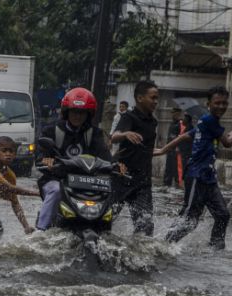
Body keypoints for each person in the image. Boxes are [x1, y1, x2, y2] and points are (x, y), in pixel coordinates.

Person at [154, 86, 232, 249]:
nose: (221, 106)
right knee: (190, 219)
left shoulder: (205, 121)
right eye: (217, 103)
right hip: (196, 175)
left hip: (208, 177)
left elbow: (185, 135)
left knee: (222, 215)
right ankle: (163, 246)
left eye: (224, 103)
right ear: (209, 104)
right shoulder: (209, 120)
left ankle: (215, 249)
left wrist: (164, 149)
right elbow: (227, 142)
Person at [36, 87, 112, 231]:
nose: (78, 116)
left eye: (82, 112)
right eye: (74, 112)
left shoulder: (95, 133)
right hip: (57, 179)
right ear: (66, 112)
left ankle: (106, 231)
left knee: (109, 191)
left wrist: (115, 165)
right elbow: (40, 155)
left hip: (87, 183)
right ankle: (41, 231)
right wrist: (46, 160)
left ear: (88, 114)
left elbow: (105, 156)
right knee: (55, 190)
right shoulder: (51, 130)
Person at [111, 80, 159, 237]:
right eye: (153, 98)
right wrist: (126, 134)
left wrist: (164, 149)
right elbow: (114, 137)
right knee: (105, 219)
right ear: (140, 98)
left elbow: (147, 149)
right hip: (122, 177)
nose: (155, 102)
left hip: (143, 181)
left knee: (146, 227)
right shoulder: (129, 117)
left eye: (156, 98)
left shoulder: (153, 122)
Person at [163, 107, 183, 187]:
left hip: (177, 150)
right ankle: (166, 183)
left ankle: (177, 184)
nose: (172, 115)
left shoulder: (181, 123)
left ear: (178, 113)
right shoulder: (172, 123)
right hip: (170, 149)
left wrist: (178, 147)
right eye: (172, 113)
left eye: (174, 113)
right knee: (168, 167)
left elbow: (181, 136)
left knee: (176, 168)